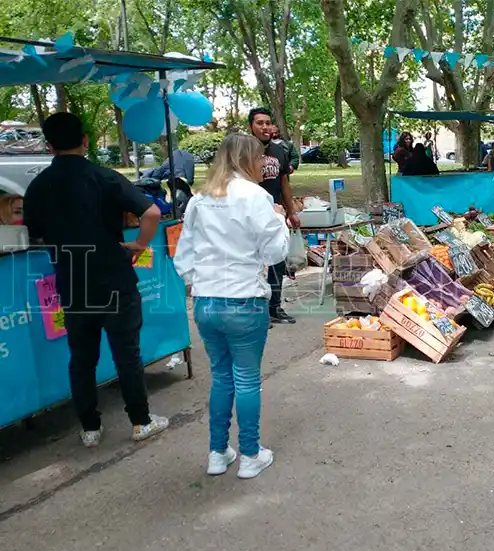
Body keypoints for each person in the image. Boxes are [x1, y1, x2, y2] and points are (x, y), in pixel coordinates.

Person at [23, 112, 169, 447]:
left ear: (48, 145)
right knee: (126, 354)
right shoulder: (104, 177)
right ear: (86, 141)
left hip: (72, 283)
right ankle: (140, 422)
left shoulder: (38, 186)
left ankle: (90, 428)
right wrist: (139, 245)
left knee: (81, 357)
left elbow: (33, 235)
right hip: (114, 278)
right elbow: (152, 212)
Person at [174, 133, 289, 479]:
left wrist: (202, 282)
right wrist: (280, 218)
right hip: (244, 301)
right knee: (247, 379)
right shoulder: (255, 196)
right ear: (247, 160)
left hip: (207, 302)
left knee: (222, 377)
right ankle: (251, 455)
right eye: (258, 158)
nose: (262, 164)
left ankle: (217, 452)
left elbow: (184, 257)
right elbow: (275, 253)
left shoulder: (200, 199)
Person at [248, 107, 300, 325]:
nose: (265, 127)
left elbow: (284, 185)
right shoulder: (246, 151)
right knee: (254, 263)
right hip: (252, 215)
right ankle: (256, 310)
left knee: (278, 260)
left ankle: (274, 307)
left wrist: (291, 212)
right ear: (251, 126)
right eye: (260, 123)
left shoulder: (279, 151)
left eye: (268, 122)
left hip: (276, 214)